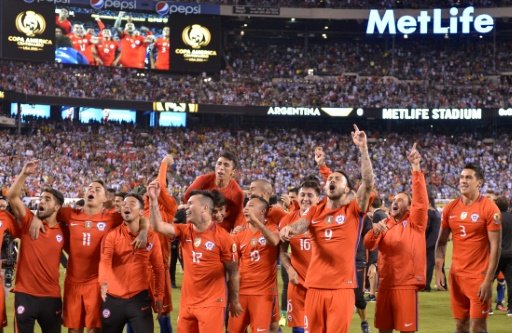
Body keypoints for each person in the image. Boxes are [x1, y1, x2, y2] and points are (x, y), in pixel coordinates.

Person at [280, 124, 374, 333]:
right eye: (330, 178)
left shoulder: (353, 209)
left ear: (347, 189)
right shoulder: (316, 210)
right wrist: (289, 229)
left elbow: (367, 183)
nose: (331, 179)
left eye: (337, 179)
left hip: (341, 288)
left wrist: (363, 148)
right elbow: (301, 224)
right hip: (314, 287)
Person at [29, 175, 148, 333]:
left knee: (94, 328)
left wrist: (144, 232)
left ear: (104, 198)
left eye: (97, 189)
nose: (92, 190)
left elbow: (141, 218)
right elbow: (49, 209)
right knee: (74, 329)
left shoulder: (112, 218)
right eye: (89, 188)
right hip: (72, 282)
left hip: (96, 282)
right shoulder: (69, 214)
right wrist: (37, 216)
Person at [148, 182, 243, 332]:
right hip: (187, 303)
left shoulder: (223, 238)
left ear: (205, 208)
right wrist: (153, 201)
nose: (186, 207)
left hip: (212, 303)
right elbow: (157, 226)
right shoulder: (184, 230)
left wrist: (234, 299)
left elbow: (233, 271)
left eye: (191, 204)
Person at [363, 143, 428, 333]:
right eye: (394, 199)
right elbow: (368, 244)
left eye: (401, 200)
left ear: (409, 207)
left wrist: (415, 168)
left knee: (406, 331)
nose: (395, 202)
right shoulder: (385, 224)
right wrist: (375, 230)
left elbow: (421, 201)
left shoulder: (415, 223)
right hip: (385, 285)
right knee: (384, 329)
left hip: (405, 285)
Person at [435, 163, 502, 333]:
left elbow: (496, 246)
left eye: (468, 177)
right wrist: (439, 269)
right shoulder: (450, 208)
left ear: (479, 182)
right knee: (460, 325)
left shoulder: (489, 208)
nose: (463, 181)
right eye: (462, 177)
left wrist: (488, 280)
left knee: (478, 326)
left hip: (478, 278)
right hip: (456, 277)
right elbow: (442, 242)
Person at [8, 160, 66, 333]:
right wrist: (24, 174)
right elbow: (12, 197)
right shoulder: (28, 221)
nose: (41, 201)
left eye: (47, 199)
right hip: (25, 295)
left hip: (51, 297)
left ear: (57, 206)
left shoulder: (64, 230)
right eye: (40, 198)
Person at [98, 193, 164, 333]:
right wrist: (103, 281)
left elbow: (158, 268)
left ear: (141, 211)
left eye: (132, 204)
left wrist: (159, 296)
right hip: (113, 298)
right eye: (124, 204)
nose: (126, 206)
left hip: (139, 298)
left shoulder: (152, 237)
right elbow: (105, 261)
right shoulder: (113, 235)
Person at [228, 196, 280, 333]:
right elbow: (232, 266)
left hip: (263, 294)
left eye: (251, 206)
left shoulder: (272, 228)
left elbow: (274, 241)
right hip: (242, 293)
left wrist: (256, 222)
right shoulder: (239, 234)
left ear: (262, 211)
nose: (246, 208)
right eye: (246, 206)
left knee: (265, 329)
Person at [279, 179, 321, 333]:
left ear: (318, 198)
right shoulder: (287, 220)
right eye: (302, 195)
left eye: (310, 195)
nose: (305, 199)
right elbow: (282, 251)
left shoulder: (325, 220)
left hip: (320, 284)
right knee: (298, 330)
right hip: (297, 283)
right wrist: (289, 270)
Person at [184, 150, 244, 232]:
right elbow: (186, 198)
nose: (221, 167)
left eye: (226, 165)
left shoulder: (237, 193)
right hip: (198, 227)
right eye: (219, 163)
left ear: (233, 172)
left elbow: (238, 217)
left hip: (220, 232)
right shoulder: (203, 180)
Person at [494, 196, 512, 316]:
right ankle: (511, 309)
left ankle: (487, 308)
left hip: (496, 254)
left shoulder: (495, 218)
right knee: (511, 283)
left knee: (488, 280)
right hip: (510, 254)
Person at [424, 195, 441, 292]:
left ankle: (426, 285)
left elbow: (426, 228)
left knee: (428, 265)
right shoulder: (437, 212)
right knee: (433, 264)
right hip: (436, 242)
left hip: (429, 242)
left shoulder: (430, 213)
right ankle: (442, 284)